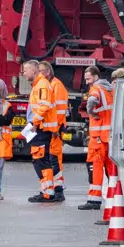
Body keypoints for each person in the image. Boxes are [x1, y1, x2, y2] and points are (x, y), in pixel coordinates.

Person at [23, 60, 60, 204]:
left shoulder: (42, 85)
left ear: (33, 70)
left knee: (41, 160)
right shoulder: (39, 84)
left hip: (41, 128)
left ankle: (47, 193)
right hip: (40, 128)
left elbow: (44, 107)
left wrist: (35, 123)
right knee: (40, 160)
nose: (23, 73)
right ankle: (47, 191)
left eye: (25, 70)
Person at [80, 65, 114, 210]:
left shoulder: (96, 88)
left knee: (96, 167)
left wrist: (90, 112)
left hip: (98, 136)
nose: (87, 82)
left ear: (95, 76)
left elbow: (92, 100)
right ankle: (115, 198)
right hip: (109, 136)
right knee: (112, 169)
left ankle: (94, 200)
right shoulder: (110, 89)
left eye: (88, 79)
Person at [40, 62, 70, 201]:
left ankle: (58, 190)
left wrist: (55, 129)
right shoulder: (51, 84)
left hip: (55, 130)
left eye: (41, 71)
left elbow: (59, 111)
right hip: (51, 129)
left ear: (47, 72)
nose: (39, 74)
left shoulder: (56, 86)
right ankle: (52, 189)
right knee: (51, 160)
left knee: (54, 160)